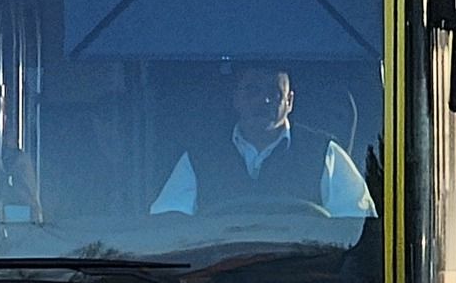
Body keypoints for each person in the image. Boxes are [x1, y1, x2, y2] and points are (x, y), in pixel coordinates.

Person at [148, 68, 375, 217]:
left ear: (290, 101)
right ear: (236, 98)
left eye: (273, 93)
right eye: (252, 91)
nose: (263, 100)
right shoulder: (200, 156)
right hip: (216, 281)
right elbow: (167, 223)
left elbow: (356, 225)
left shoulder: (325, 153)